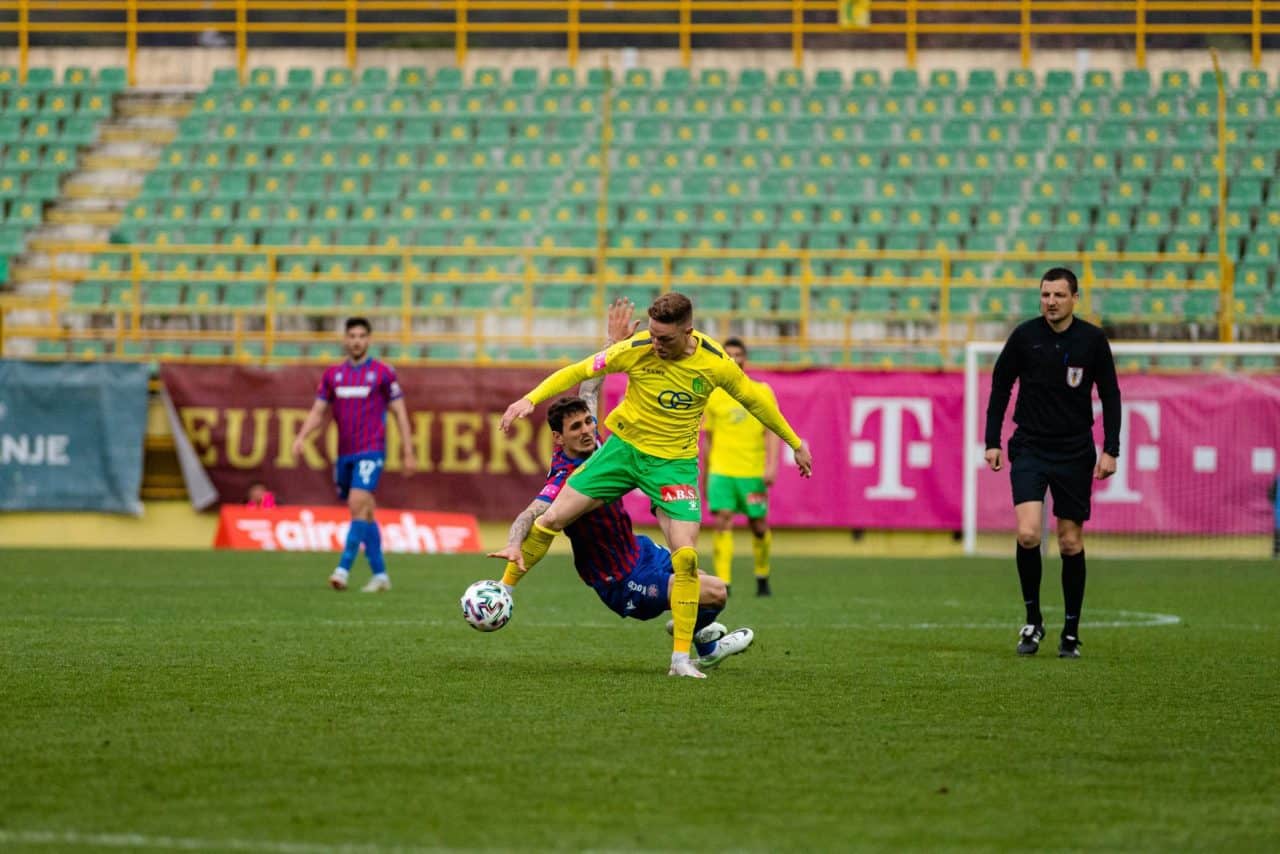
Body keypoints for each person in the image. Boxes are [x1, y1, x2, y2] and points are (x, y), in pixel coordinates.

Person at [498, 292, 813, 678]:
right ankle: (504, 591)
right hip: (624, 451)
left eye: (665, 338)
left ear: (688, 331)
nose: (656, 344)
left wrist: (795, 443)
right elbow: (579, 373)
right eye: (653, 335)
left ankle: (681, 660)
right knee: (552, 518)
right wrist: (528, 399)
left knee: (687, 558)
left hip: (674, 466)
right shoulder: (638, 348)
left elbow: (754, 401)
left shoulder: (715, 364)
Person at [984, 267, 1121, 659]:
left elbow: (1110, 394)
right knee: (1028, 534)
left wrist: (1111, 448)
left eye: (1059, 295)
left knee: (1069, 542)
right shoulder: (1025, 337)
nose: (1051, 302)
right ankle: (1033, 620)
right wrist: (992, 440)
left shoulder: (1092, 340)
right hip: (1029, 446)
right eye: (1045, 295)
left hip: (1075, 450)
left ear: (1074, 298)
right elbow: (1000, 384)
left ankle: (1072, 631)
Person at [291, 317, 415, 592]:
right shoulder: (333, 375)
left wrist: (408, 449)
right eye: (352, 336)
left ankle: (343, 569)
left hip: (371, 450)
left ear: (368, 340)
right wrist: (301, 437)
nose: (357, 340)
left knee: (357, 502)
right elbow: (318, 411)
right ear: (345, 340)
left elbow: (399, 412)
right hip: (345, 454)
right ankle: (381, 575)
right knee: (366, 511)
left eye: (361, 336)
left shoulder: (383, 373)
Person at [702, 337, 780, 597]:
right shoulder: (713, 396)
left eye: (739, 354)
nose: (734, 359)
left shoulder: (761, 391)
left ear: (746, 358)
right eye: (729, 354)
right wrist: (704, 472)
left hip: (752, 472)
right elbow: (708, 439)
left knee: (758, 524)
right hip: (721, 471)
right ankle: (724, 582)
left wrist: (771, 466)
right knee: (722, 521)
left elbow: (772, 431)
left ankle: (762, 575)